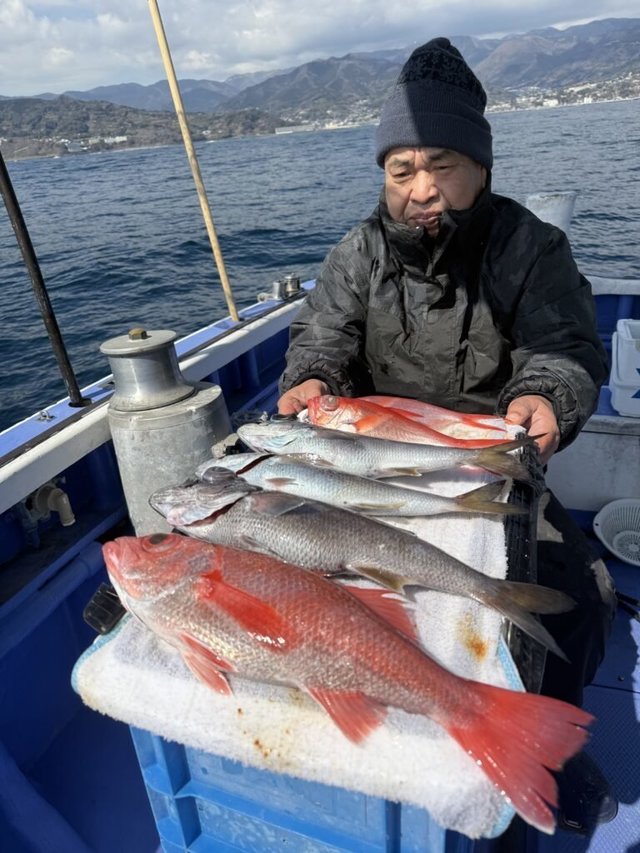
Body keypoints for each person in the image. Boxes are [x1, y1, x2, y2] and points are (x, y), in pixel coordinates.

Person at [277, 37, 618, 833]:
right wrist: (315, 379)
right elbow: (321, 336)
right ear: (383, 177)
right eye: (402, 170)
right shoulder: (357, 254)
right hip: (370, 471)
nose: (423, 189)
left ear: (481, 166)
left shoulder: (531, 248)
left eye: (444, 165)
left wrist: (546, 396)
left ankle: (550, 752)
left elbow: (564, 347)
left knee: (575, 609)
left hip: (490, 471)